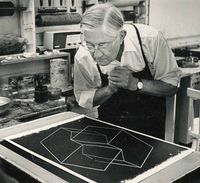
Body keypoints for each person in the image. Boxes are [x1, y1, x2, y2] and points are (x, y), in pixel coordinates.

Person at [73, 3, 181, 139]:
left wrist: (135, 84)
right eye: (90, 44)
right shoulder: (83, 56)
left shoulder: (150, 40)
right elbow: (83, 98)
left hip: (151, 128)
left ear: (122, 36)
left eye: (103, 45)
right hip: (109, 130)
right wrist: (109, 89)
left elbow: (171, 86)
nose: (97, 54)